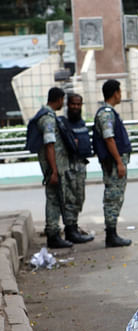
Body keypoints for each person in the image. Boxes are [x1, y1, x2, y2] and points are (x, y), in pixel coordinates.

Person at [93, 79, 132, 247]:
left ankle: (113, 233)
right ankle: (111, 234)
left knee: (116, 197)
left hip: (115, 162)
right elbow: (109, 139)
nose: (121, 95)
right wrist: (119, 162)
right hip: (113, 164)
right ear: (115, 92)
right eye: (120, 91)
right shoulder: (106, 113)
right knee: (113, 197)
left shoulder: (109, 112)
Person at [32, 87, 72, 249]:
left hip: (54, 165)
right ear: (59, 99)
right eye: (62, 100)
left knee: (55, 199)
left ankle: (54, 233)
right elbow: (49, 145)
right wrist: (54, 170)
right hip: (52, 167)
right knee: (54, 199)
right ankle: (53, 234)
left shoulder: (46, 114)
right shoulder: (48, 118)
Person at [60, 93, 94, 244]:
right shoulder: (63, 123)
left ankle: (74, 227)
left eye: (78, 104)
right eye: (73, 104)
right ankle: (70, 231)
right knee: (71, 199)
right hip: (70, 167)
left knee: (79, 198)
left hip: (81, 166)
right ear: (68, 105)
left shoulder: (80, 122)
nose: (75, 107)